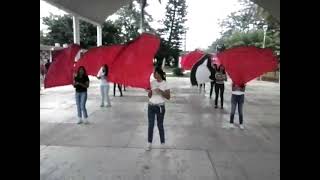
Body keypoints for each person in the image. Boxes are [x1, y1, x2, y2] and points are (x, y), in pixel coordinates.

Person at [146, 67, 171, 151]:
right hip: (151, 106)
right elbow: (149, 96)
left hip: (160, 107)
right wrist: (150, 91)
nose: (154, 74)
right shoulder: (152, 82)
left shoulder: (165, 83)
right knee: (151, 125)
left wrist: (160, 91)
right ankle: (149, 143)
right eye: (153, 73)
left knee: (160, 125)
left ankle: (162, 143)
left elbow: (168, 97)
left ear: (159, 74)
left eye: (155, 73)